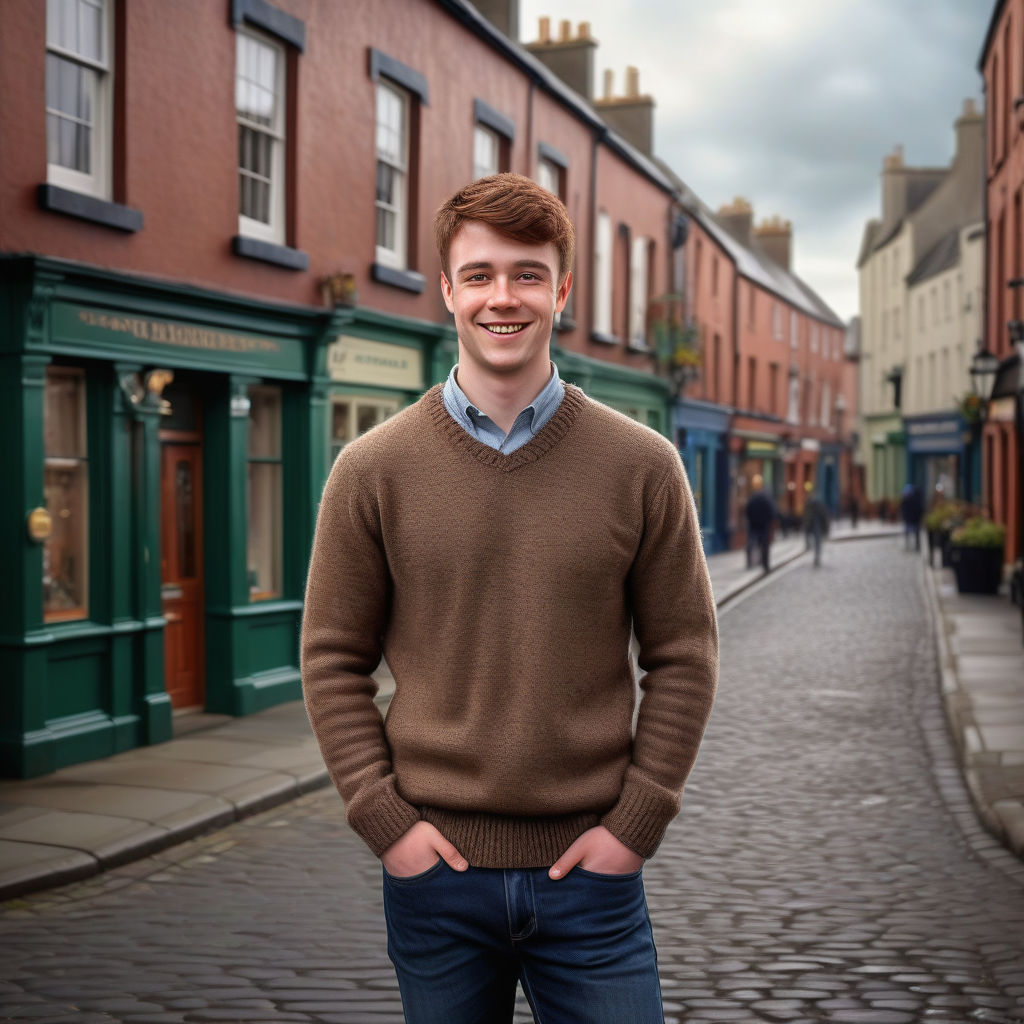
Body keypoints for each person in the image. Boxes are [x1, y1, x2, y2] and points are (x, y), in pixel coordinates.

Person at [300, 173, 719, 1024]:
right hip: (437, 885)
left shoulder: (642, 466)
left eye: (528, 274)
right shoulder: (370, 470)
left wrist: (637, 822)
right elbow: (332, 658)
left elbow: (685, 654)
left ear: (562, 290)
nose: (504, 297)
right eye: (481, 274)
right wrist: (386, 823)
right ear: (448, 291)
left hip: (592, 887)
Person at [744, 474, 776, 572]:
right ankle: (765, 565)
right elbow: (772, 512)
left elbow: (747, 511)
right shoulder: (766, 498)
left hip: (753, 525)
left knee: (750, 543)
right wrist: (770, 522)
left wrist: (751, 519)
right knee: (764, 545)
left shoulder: (752, 498)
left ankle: (749, 562)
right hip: (764, 525)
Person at [802, 482, 830, 567]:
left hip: (815, 525)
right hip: (813, 525)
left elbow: (822, 514)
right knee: (816, 542)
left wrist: (825, 526)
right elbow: (823, 514)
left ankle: (816, 557)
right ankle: (816, 556)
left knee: (817, 542)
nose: (808, 494)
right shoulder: (809, 501)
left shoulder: (813, 502)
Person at [900, 482, 923, 552]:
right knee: (914, 533)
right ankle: (915, 546)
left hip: (911, 519)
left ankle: (913, 545)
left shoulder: (907, 499)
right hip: (913, 519)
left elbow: (903, 509)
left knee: (911, 533)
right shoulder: (914, 499)